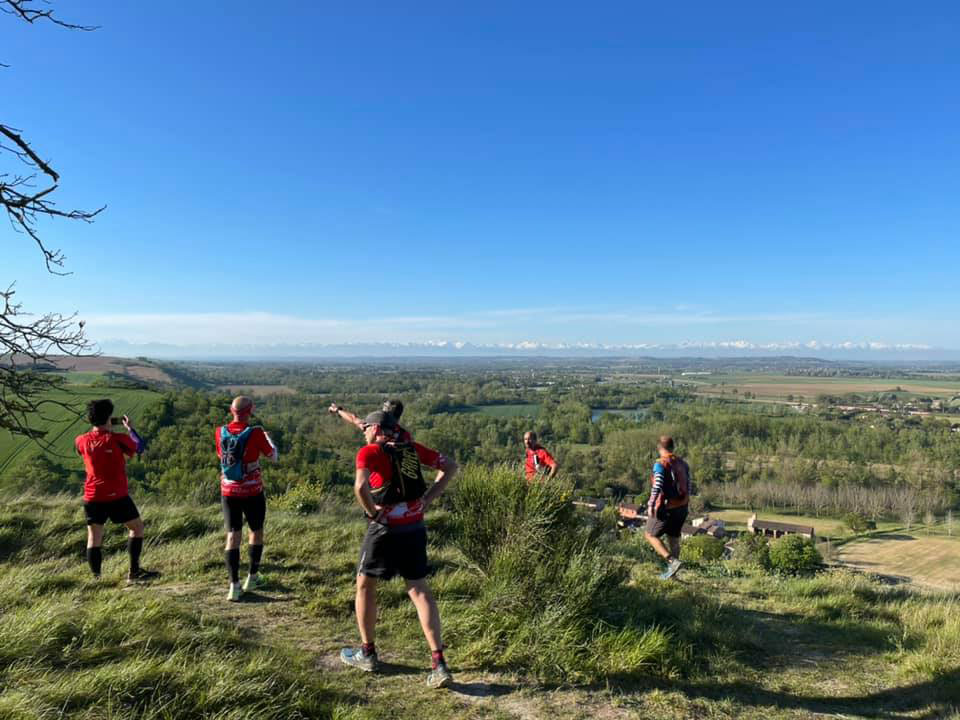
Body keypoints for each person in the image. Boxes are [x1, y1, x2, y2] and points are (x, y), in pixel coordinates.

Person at [340, 411, 458, 689]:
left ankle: (367, 654)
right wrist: (427, 500)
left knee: (365, 585)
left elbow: (360, 488)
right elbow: (450, 466)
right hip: (414, 526)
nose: (363, 432)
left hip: (384, 529)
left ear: (377, 428)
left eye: (365, 427)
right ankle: (438, 663)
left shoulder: (368, 452)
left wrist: (372, 513)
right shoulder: (413, 449)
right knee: (418, 589)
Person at [75, 398, 158, 583]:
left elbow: (82, 450)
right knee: (137, 528)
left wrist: (101, 429)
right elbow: (140, 447)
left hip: (92, 496)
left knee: (94, 537)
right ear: (109, 418)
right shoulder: (118, 440)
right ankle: (134, 573)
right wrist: (130, 429)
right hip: (116, 495)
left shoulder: (81, 440)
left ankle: (97, 580)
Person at [215, 396, 278, 601]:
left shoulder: (219, 432)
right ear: (250, 411)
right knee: (256, 532)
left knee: (233, 535)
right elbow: (273, 456)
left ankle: (234, 586)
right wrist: (268, 439)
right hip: (252, 491)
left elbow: (222, 456)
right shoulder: (256, 433)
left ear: (231, 410)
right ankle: (252, 577)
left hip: (228, 490)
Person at [644, 436, 691, 580]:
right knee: (674, 539)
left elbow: (657, 485)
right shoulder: (683, 463)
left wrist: (651, 504)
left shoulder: (660, 464)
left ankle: (672, 561)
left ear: (660, 448)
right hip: (682, 506)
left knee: (650, 535)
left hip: (666, 507)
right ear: (673, 447)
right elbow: (689, 485)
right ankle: (673, 576)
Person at [329, 398, 413, 443]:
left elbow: (353, 418)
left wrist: (337, 410)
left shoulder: (372, 428)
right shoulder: (404, 435)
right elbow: (353, 418)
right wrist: (338, 410)